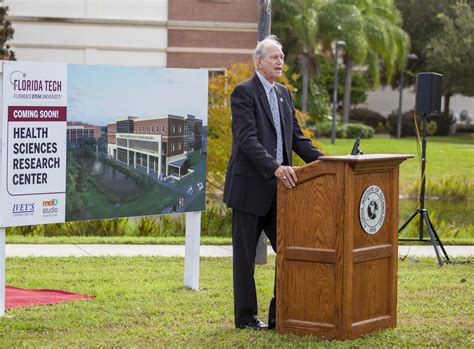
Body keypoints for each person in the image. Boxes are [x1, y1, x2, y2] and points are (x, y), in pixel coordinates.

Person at [223, 35, 324, 330]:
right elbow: (248, 140)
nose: (280, 62)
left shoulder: (284, 94)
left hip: (281, 192)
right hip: (249, 189)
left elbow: (297, 139)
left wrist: (328, 163)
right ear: (258, 61)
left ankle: (280, 314)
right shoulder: (243, 93)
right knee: (245, 260)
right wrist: (277, 168)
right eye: (274, 57)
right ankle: (245, 318)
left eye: (281, 57)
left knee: (291, 250)